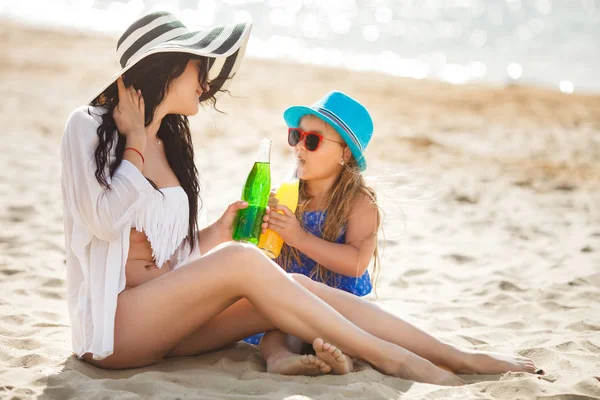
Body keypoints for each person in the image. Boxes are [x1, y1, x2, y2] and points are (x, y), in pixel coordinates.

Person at [60, 11, 543, 386]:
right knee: (243, 260)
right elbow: (101, 221)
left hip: (167, 327)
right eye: (197, 68)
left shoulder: (169, 139)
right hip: (114, 333)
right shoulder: (89, 127)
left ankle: (457, 355)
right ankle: (393, 359)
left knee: (290, 282)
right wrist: (135, 144)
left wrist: (213, 233)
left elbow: (166, 258)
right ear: (163, 67)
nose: (205, 82)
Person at [242, 91, 379, 377]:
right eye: (296, 136)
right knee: (276, 335)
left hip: (338, 302)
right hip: (292, 306)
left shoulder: (359, 203)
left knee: (342, 333)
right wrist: (265, 227)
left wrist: (300, 238)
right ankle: (279, 359)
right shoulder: (287, 195)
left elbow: (356, 263)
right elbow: (266, 255)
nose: (299, 147)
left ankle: (343, 360)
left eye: (313, 140)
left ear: (344, 154)